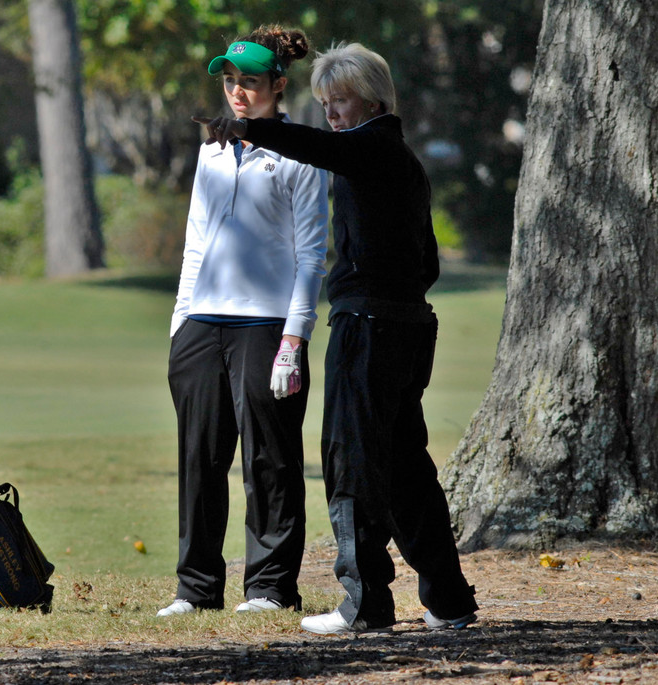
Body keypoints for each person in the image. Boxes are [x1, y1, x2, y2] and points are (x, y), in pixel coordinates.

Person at [196, 42, 478, 634]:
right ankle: (448, 601)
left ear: (372, 99)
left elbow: (321, 148)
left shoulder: (372, 147)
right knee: (404, 467)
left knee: (350, 460)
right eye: (325, 102)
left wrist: (251, 128)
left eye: (341, 100)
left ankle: (364, 602)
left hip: (370, 328)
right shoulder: (401, 158)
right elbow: (426, 260)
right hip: (406, 324)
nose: (332, 113)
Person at [157, 25, 329, 617]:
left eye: (249, 82)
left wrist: (294, 339)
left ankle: (269, 588)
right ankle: (196, 590)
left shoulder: (300, 152)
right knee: (199, 459)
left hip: (268, 325)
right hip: (203, 324)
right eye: (230, 81)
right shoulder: (210, 148)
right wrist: (180, 325)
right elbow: (196, 244)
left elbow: (312, 254)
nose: (236, 92)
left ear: (277, 86)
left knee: (270, 461)